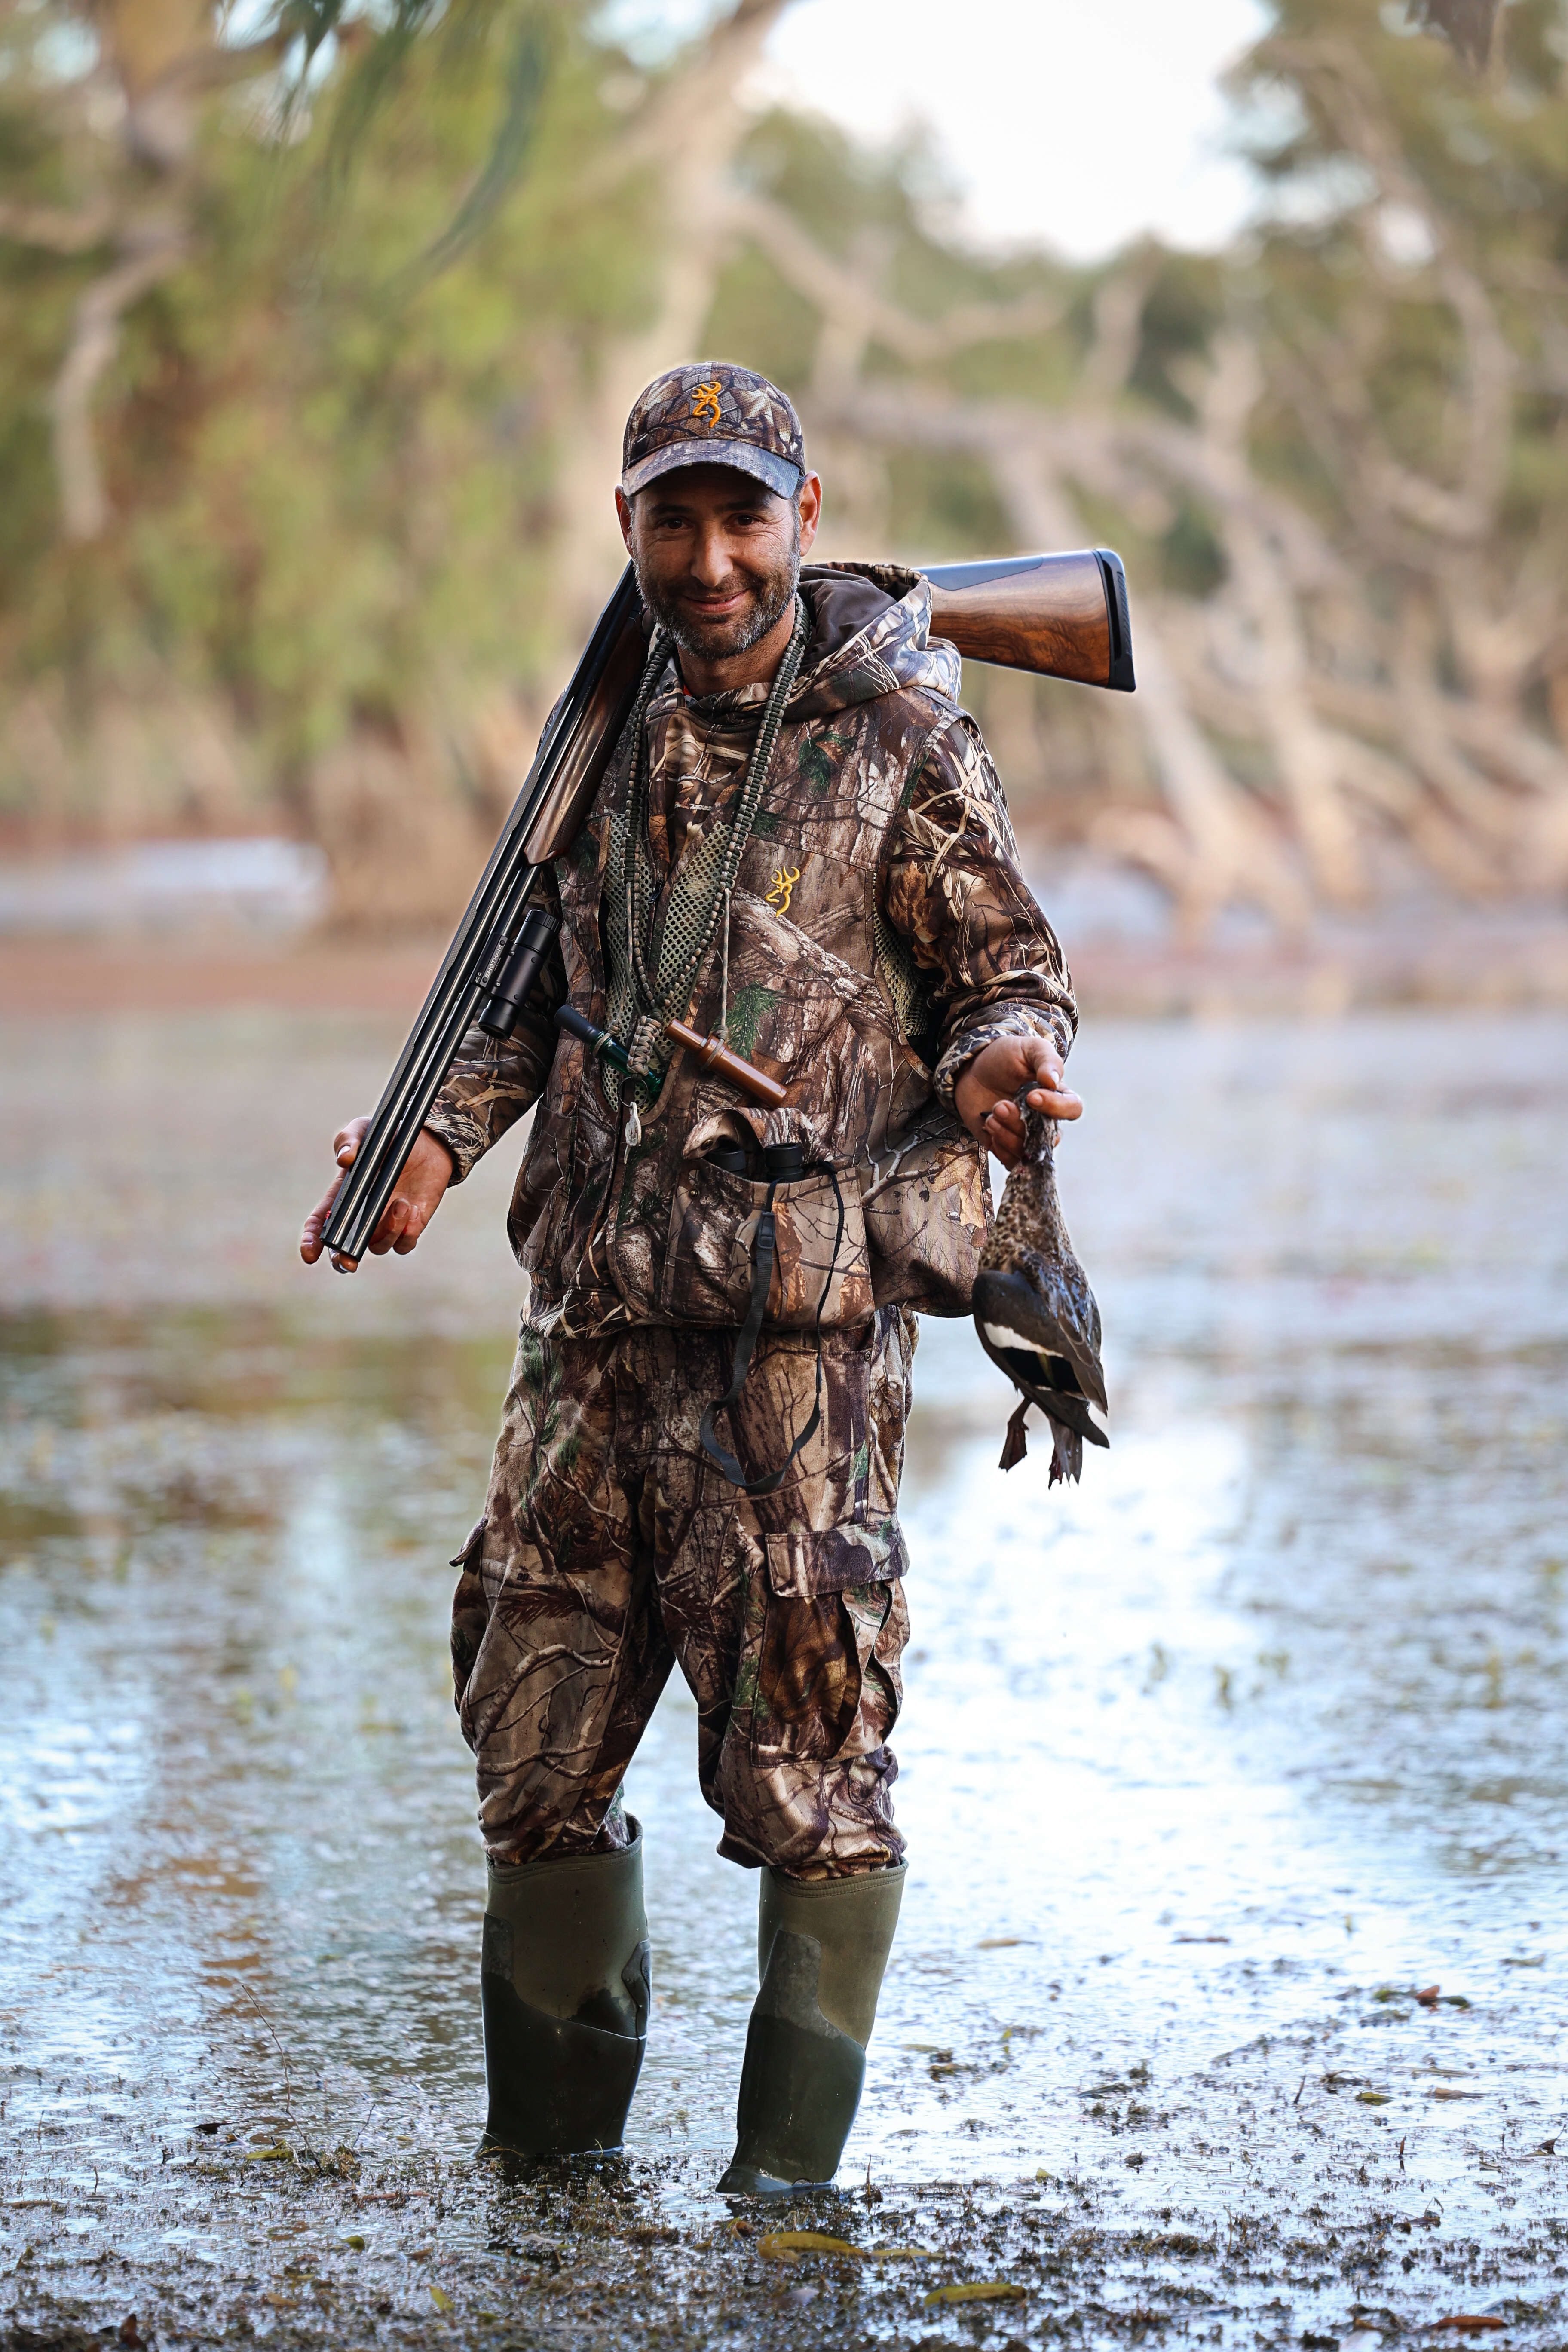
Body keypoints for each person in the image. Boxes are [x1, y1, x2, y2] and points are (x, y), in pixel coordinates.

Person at [300, 361, 1081, 2195]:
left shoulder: (906, 739)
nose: (713, 559)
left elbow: (1011, 983)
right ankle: (553, 2202)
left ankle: (782, 2228)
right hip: (583, 1349)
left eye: (746, 518)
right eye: (676, 518)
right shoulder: (595, 722)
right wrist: (424, 1140)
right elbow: (522, 992)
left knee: (814, 1782)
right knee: (534, 1756)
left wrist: (1003, 1069)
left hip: (789, 1361)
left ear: (806, 523)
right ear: (629, 528)